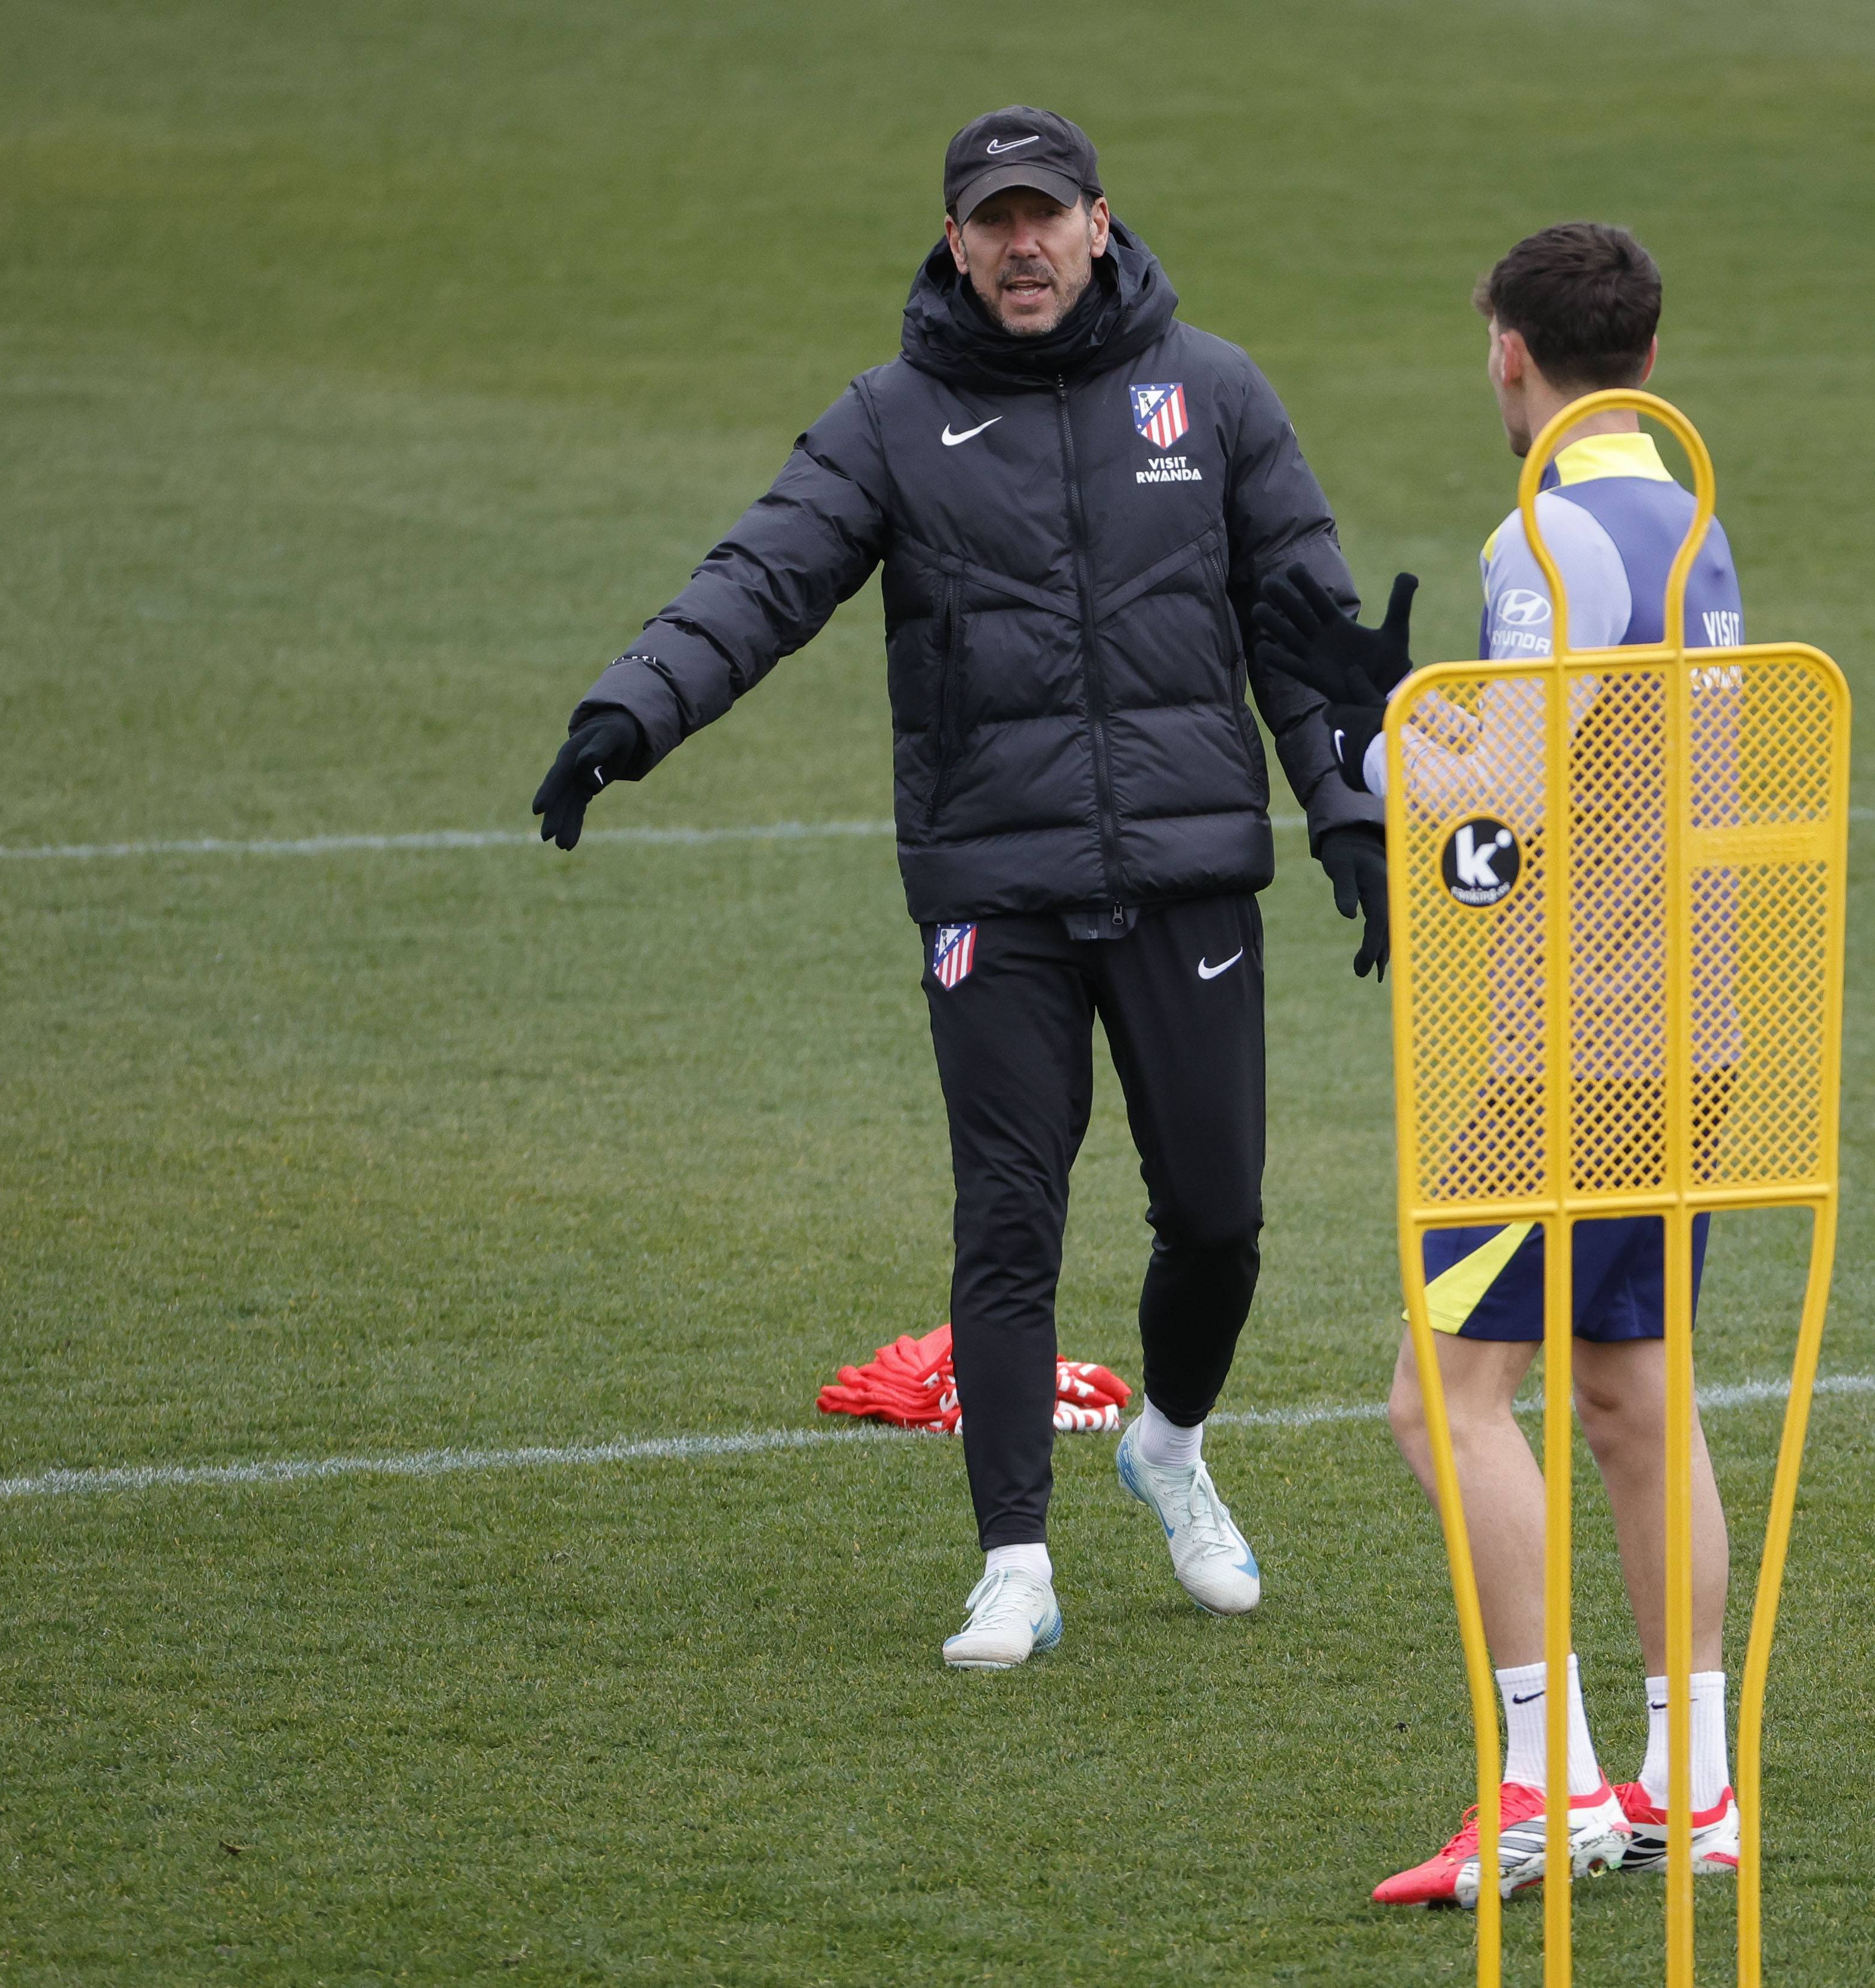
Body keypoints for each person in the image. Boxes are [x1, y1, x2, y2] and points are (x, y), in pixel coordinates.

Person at [528, 107, 1394, 1671]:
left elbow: (1307, 615)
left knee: (1219, 1220)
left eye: (1044, 215)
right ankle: (1015, 1564)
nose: (1020, 245)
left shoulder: (1214, 394)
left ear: (1099, 224)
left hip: (1190, 872)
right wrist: (632, 710)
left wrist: (1351, 807)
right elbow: (762, 576)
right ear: (955, 242)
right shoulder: (891, 418)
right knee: (1009, 1216)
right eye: (991, 221)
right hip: (994, 885)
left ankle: (1169, 1447)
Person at [1251, 222, 1747, 1907]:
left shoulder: (1544, 533)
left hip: (1573, 1043)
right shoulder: (1694, 519)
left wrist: (1379, 735)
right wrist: (1440, 706)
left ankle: (1547, 1787)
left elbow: (1497, 820)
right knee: (1633, 1394)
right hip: (1697, 1029)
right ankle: (1693, 1786)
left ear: (1511, 355)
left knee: (1442, 1401)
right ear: (1648, 360)